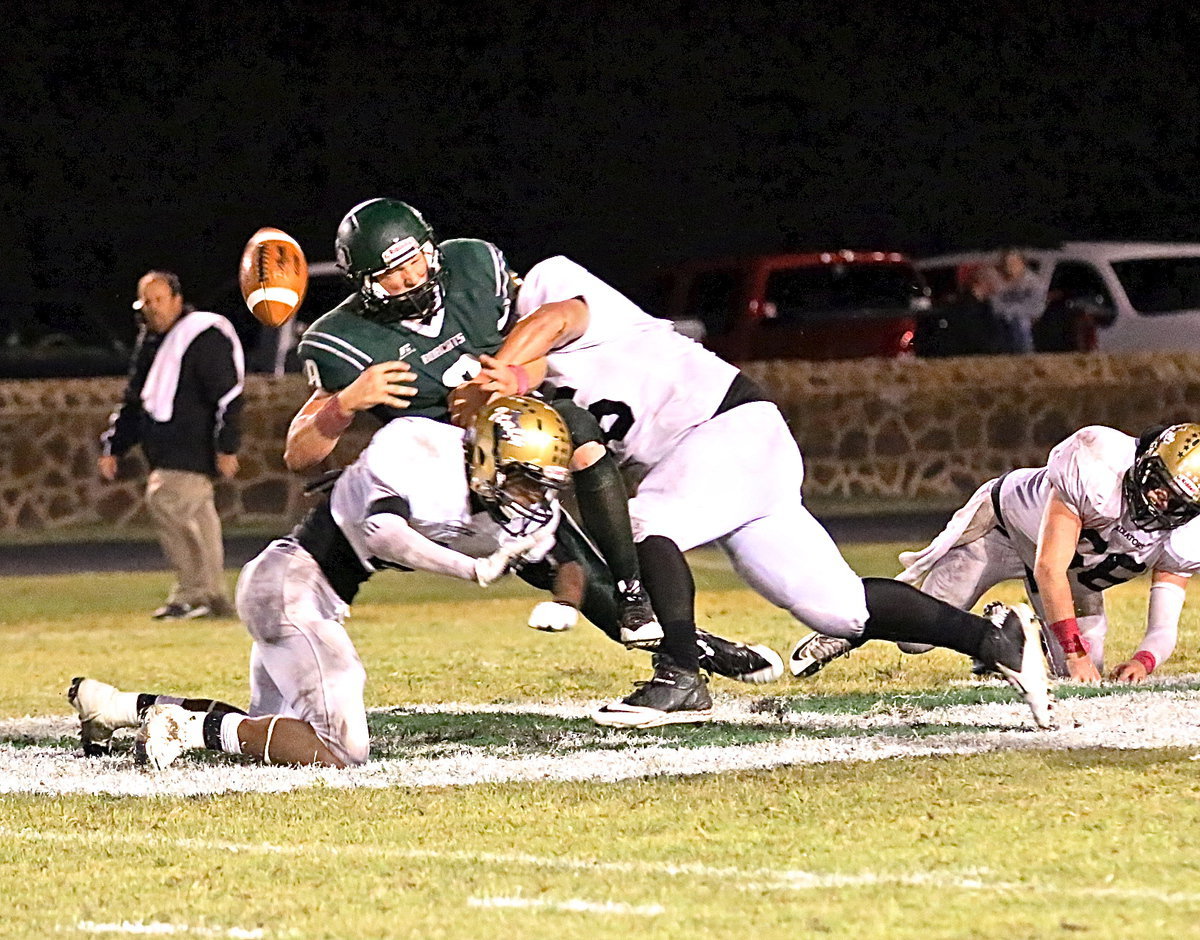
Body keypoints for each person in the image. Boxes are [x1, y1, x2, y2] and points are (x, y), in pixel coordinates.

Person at [450, 256, 1053, 729]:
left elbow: (553, 323)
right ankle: (993, 639)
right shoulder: (521, 371)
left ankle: (681, 675)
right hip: (731, 458)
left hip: (724, 426)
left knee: (647, 522)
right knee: (838, 609)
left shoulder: (552, 289)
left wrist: (506, 370)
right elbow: (535, 398)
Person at [69, 397, 784, 766]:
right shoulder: (416, 448)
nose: (534, 496)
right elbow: (380, 532)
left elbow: (557, 559)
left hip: (308, 594)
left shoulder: (517, 509)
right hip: (292, 582)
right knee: (339, 751)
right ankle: (183, 724)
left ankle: (117, 705)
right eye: (523, 478)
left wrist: (569, 596)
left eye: (542, 484)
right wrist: (471, 568)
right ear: (485, 457)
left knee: (271, 731)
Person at [284, 198, 662, 648]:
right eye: (392, 273)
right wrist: (343, 404)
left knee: (580, 434)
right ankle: (682, 653)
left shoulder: (473, 266)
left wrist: (514, 375)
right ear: (365, 284)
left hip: (519, 444)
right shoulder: (342, 338)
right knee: (577, 577)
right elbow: (299, 455)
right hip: (451, 485)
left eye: (416, 260)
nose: (411, 277)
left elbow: (548, 346)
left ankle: (637, 594)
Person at [791, 423, 1200, 684]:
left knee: (1078, 675)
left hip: (1068, 573)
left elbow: (1163, 628)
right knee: (914, 641)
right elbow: (1048, 566)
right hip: (1003, 528)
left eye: (1176, 503)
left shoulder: (1183, 536)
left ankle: (1004, 635)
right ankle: (849, 621)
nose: (1159, 503)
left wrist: (1144, 661)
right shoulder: (1098, 468)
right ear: (1146, 459)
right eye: (1159, 483)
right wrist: (1073, 651)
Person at [98, 270, 244, 620]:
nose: (152, 309)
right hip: (165, 450)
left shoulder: (203, 336)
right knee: (200, 520)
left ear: (178, 300)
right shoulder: (151, 341)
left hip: (191, 449)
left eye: (159, 300)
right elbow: (136, 399)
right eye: (145, 302)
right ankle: (212, 598)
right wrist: (114, 446)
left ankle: (194, 593)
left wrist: (227, 445)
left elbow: (230, 395)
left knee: (164, 499)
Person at [989, 249, 1047, 354]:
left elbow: (1036, 308)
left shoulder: (1034, 283)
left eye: (1013, 263)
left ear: (1022, 264)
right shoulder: (997, 282)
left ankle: (1025, 354)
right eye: (1006, 264)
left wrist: (1011, 312)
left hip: (1025, 322)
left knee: (1020, 322)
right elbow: (994, 305)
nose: (1009, 267)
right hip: (1001, 320)